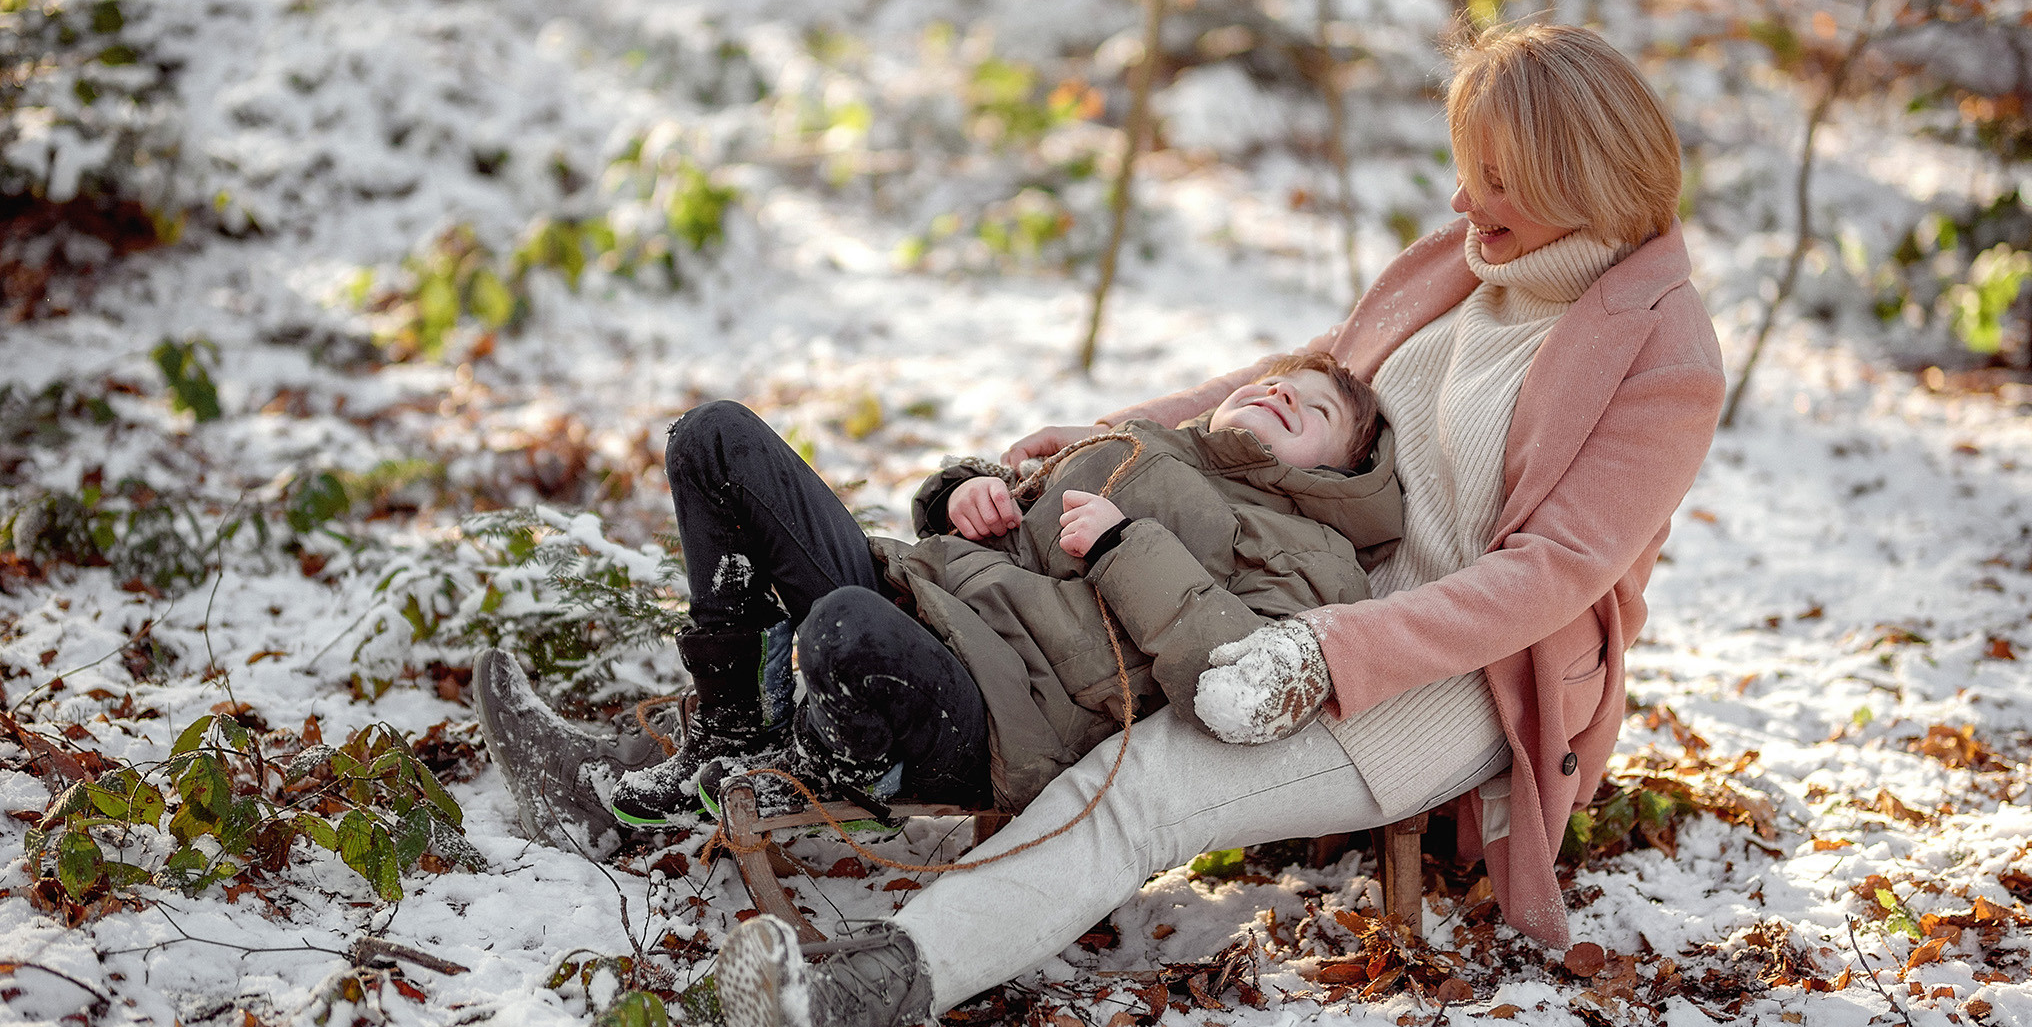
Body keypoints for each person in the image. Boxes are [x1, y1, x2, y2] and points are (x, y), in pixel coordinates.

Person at [711, 20, 1727, 1027]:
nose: (1461, 201)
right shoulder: (1465, 258)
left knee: (1142, 787)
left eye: (1494, 177)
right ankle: (688, 756)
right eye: (1464, 170)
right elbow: (1308, 372)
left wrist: (1329, 649)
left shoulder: (1666, 361)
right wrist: (1117, 433)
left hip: (1445, 672)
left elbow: (1547, 574)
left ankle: (848, 999)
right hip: (1279, 570)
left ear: (1577, 177)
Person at [472, 350, 1402, 852]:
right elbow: (997, 519)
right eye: (1273, 380)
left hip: (998, 718)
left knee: (842, 631)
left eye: (1313, 407)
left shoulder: (1316, 560)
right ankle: (728, 734)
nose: (1282, 394)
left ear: (1345, 470)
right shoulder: (1145, 443)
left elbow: (1231, 676)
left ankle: (788, 781)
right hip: (916, 594)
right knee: (715, 440)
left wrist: (1126, 546)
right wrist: (965, 492)